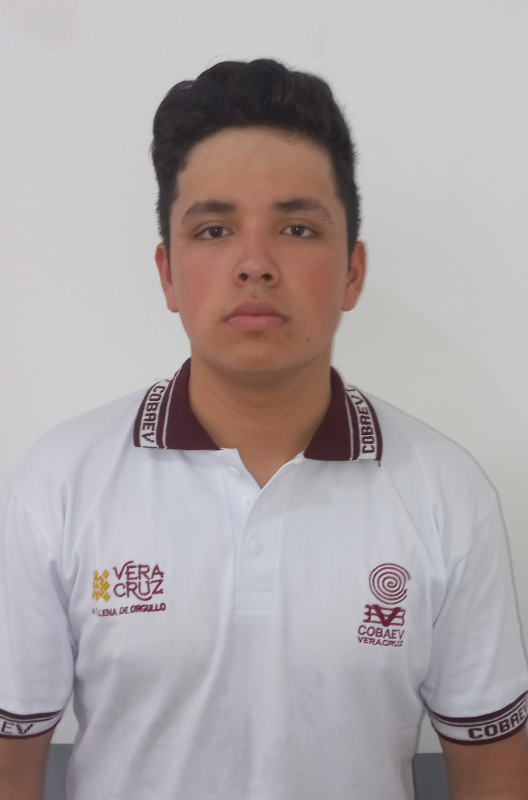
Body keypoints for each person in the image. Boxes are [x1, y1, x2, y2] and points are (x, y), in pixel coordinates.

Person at [1, 58, 527, 800]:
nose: (255, 264)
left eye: (297, 228)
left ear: (352, 273)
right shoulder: (60, 481)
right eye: (214, 229)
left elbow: (494, 775)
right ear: (168, 274)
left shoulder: (446, 491)